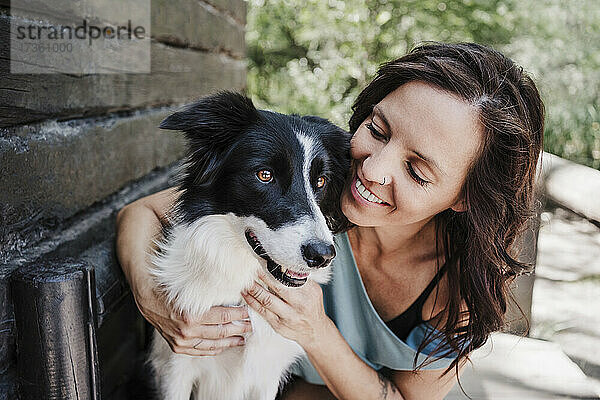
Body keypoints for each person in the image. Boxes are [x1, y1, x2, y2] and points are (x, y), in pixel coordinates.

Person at [115, 42, 544, 399]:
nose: (372, 170)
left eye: (416, 171)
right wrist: (157, 304)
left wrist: (315, 330)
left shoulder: (461, 285)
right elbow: (141, 212)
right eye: (377, 129)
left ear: (465, 197)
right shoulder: (324, 186)